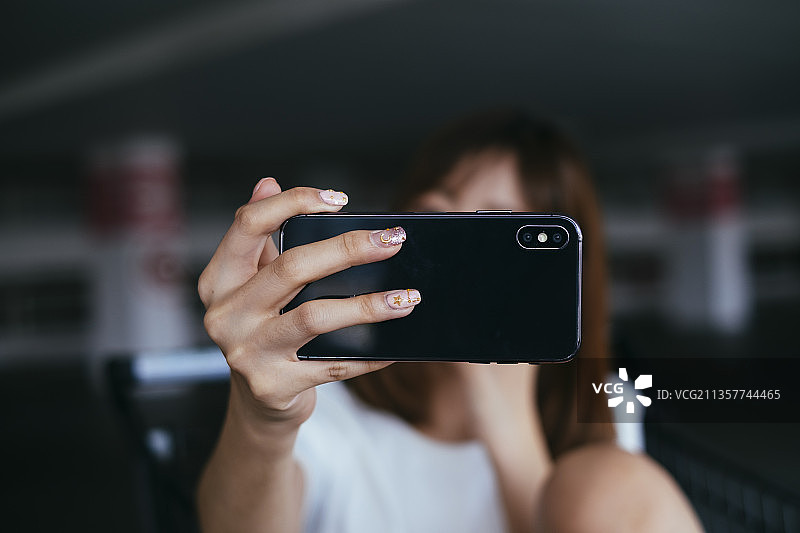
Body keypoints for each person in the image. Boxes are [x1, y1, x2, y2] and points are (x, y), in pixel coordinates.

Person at [196, 110, 703, 533]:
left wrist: (509, 422)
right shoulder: (326, 396)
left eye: (494, 230)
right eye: (437, 218)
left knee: (613, 481)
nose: (457, 267)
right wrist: (263, 420)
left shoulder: (600, 404)